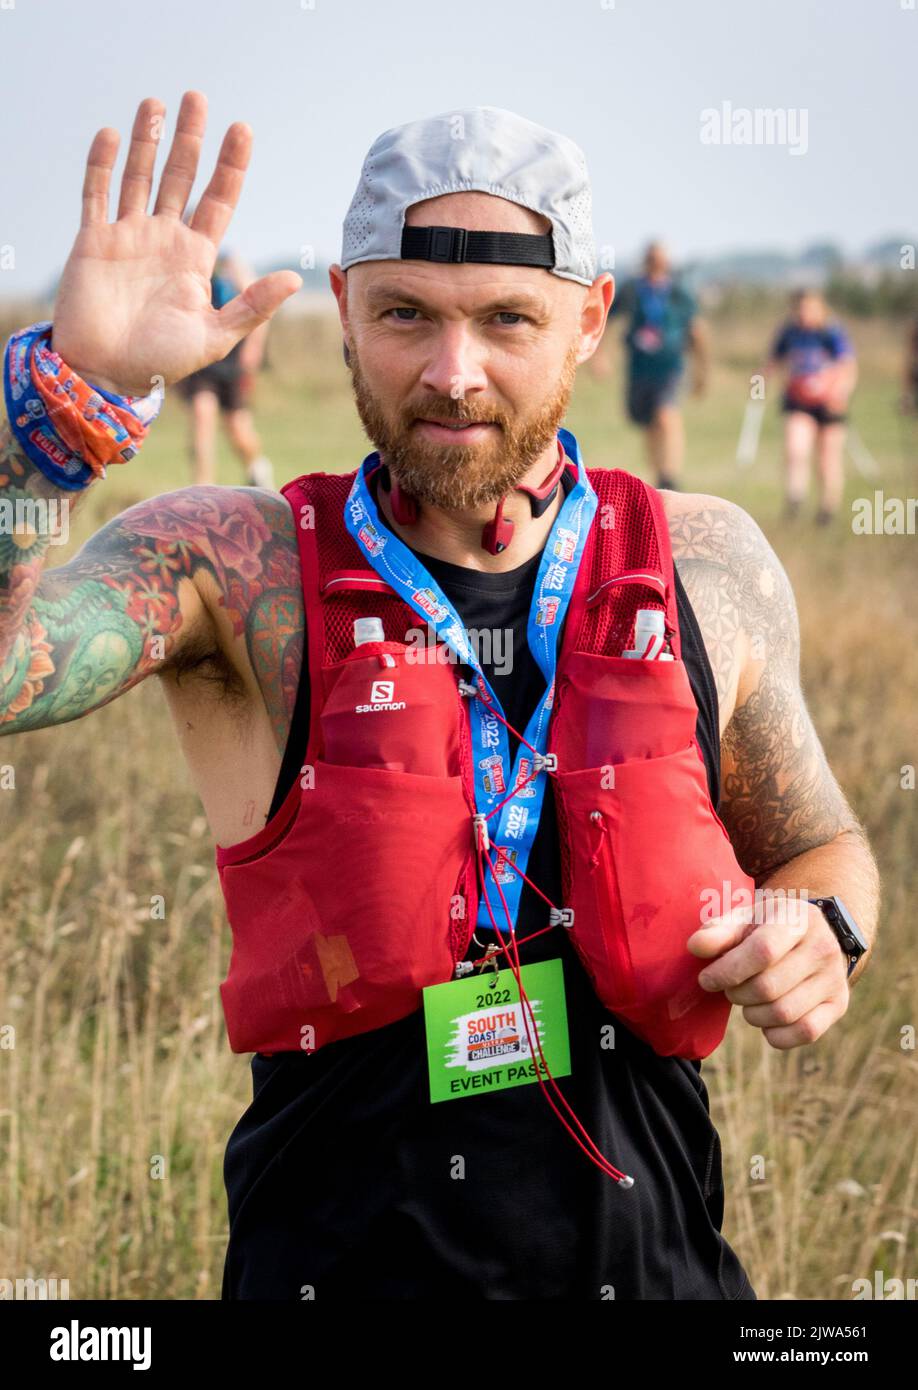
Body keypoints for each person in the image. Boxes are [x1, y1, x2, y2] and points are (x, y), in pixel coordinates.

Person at [1, 93, 879, 1301]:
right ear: (346, 310)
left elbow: (825, 847)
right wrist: (58, 410)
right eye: (404, 314)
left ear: (589, 322)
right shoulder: (238, 562)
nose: (451, 375)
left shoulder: (704, 564)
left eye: (506, 319)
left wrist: (823, 931)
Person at [177, 222, 276, 489]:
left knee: (237, 426)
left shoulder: (230, 264)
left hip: (234, 356)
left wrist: (254, 349)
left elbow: (259, 307)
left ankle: (257, 467)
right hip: (202, 356)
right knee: (202, 412)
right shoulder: (180, 269)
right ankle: (202, 488)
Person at [607, 241, 709, 490]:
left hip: (670, 367)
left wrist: (701, 371)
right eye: (652, 258)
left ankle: (670, 476)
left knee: (666, 416)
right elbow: (607, 317)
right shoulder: (632, 289)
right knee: (648, 423)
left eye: (661, 259)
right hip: (640, 368)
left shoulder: (679, 292)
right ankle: (659, 476)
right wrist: (599, 357)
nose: (656, 263)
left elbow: (697, 331)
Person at [762, 289, 857, 524]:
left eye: (810, 309)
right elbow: (773, 360)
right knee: (795, 448)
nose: (805, 314)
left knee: (827, 458)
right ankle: (795, 500)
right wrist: (761, 379)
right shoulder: (789, 332)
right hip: (798, 401)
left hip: (829, 402)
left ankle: (827, 510)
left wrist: (839, 392)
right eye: (801, 309)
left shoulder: (831, 332)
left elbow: (848, 367)